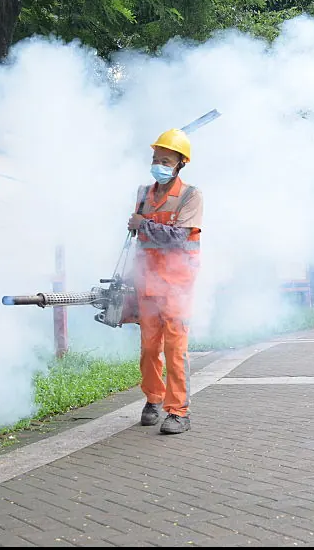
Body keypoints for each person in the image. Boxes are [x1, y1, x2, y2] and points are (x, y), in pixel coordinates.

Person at [126, 129, 203, 435]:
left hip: (177, 286)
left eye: (166, 160)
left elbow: (177, 239)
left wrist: (142, 224)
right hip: (147, 284)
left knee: (175, 349)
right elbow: (138, 237)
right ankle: (153, 401)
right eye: (156, 158)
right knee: (148, 349)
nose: (159, 164)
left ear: (180, 164)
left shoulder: (190, 196)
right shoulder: (144, 194)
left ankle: (178, 412)